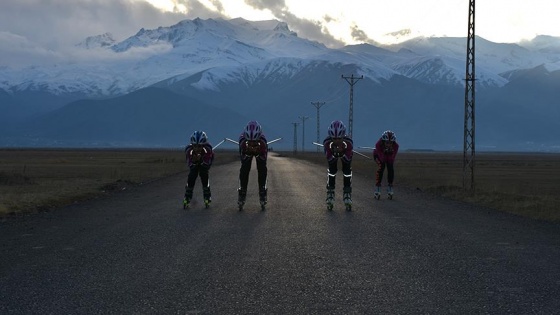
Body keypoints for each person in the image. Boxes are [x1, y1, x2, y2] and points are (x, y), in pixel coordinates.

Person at [323, 120, 353, 210]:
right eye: (334, 139)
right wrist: (334, 154)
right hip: (332, 153)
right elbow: (329, 158)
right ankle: (330, 192)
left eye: (339, 138)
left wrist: (342, 154)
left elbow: (347, 159)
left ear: (343, 136)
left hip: (345, 153)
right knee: (332, 171)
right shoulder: (327, 143)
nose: (337, 141)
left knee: (347, 171)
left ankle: (347, 193)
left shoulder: (349, 142)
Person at [238, 120, 268, 209]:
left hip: (260, 151)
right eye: (249, 142)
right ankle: (242, 191)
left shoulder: (263, 142)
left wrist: (258, 152)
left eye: (254, 142)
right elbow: (242, 159)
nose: (252, 143)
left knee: (262, 168)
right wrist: (247, 152)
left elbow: (263, 159)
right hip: (246, 152)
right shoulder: (242, 141)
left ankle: (262, 191)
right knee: (244, 168)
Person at [183, 130, 214, 208]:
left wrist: (201, 160)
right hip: (194, 163)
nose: (197, 148)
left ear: (203, 145)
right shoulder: (188, 151)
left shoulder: (208, 150)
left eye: (199, 146)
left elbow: (208, 163)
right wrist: (194, 161)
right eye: (195, 146)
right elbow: (189, 164)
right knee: (192, 175)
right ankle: (187, 195)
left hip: (205, 162)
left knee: (204, 174)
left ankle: (207, 195)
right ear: (192, 145)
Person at [373, 130, 399, 198]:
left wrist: (390, 153)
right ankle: (377, 187)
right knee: (381, 167)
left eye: (391, 143)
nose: (389, 144)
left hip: (388, 156)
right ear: (383, 141)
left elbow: (392, 159)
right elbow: (382, 159)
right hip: (378, 155)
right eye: (387, 143)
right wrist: (384, 152)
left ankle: (390, 186)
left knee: (390, 168)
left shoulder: (395, 146)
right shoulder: (378, 144)